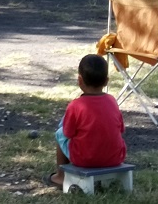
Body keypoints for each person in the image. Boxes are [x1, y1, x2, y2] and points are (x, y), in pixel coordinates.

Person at [44, 54, 126, 188]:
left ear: (80, 80)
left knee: (60, 133)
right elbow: (121, 129)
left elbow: (68, 133)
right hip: (115, 157)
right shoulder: (112, 101)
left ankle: (61, 176)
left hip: (84, 159)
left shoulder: (75, 105)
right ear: (106, 81)